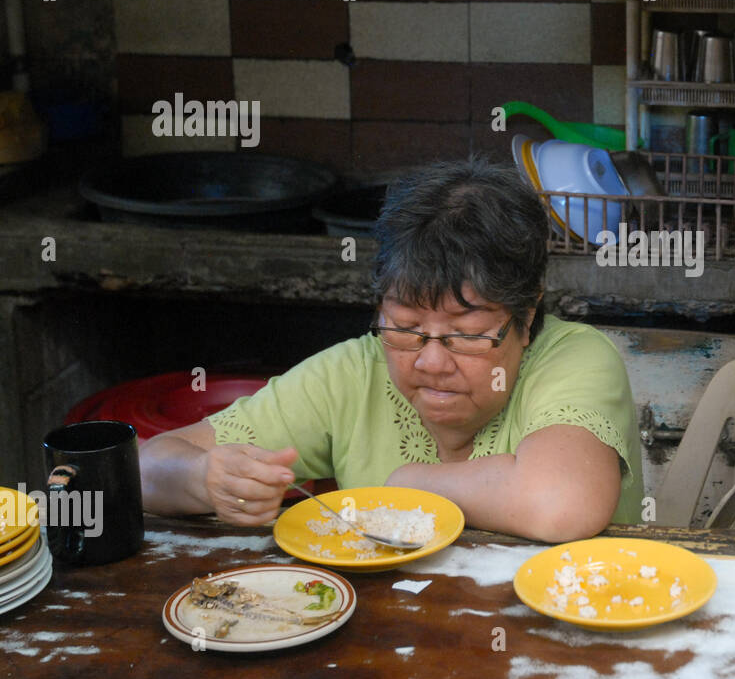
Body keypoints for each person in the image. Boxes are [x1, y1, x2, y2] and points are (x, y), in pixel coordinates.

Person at [140, 157, 644, 542]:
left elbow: (561, 501)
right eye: (404, 326)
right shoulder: (351, 376)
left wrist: (407, 485)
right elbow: (139, 470)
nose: (429, 362)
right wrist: (203, 478)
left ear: (527, 317)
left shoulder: (573, 359)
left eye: (465, 334)